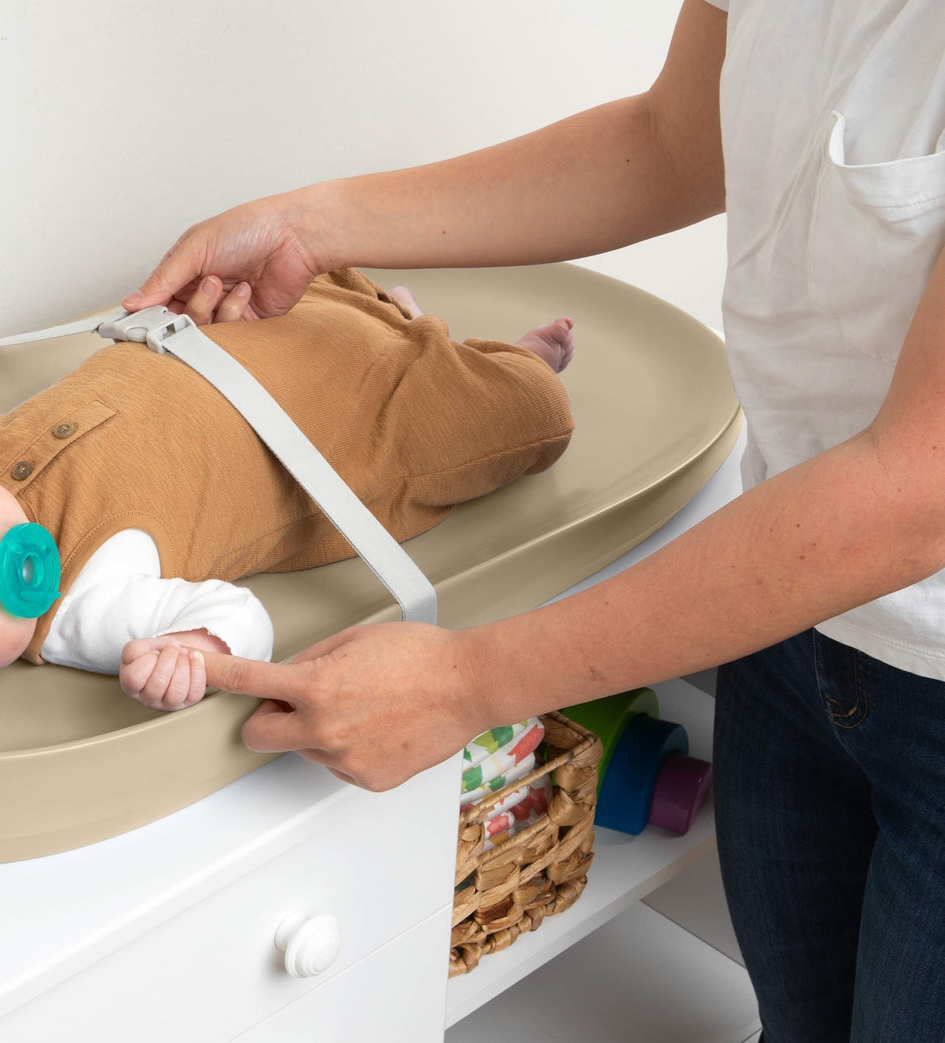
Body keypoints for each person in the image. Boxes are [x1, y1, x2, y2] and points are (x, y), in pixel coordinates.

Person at [121, 1, 945, 1039]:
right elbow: (670, 142)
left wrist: (470, 682)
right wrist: (310, 224)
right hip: (790, 627)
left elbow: (914, 494)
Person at [0, 268, 575, 713]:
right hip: (342, 441)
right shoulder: (84, 611)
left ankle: (392, 313)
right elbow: (237, 616)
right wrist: (191, 647)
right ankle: (512, 362)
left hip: (236, 348)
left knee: (310, 292)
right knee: (506, 417)